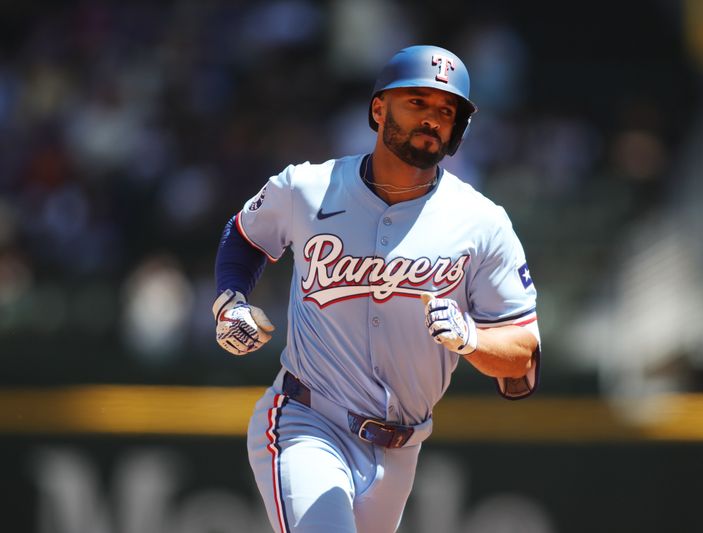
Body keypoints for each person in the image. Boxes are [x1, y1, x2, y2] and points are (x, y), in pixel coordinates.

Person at [212, 44, 541, 533]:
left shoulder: (483, 223)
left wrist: (471, 338)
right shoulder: (307, 187)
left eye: (445, 110)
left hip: (401, 450)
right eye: (417, 102)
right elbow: (243, 235)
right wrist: (229, 302)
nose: (432, 118)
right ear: (378, 108)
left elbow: (524, 359)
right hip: (307, 420)